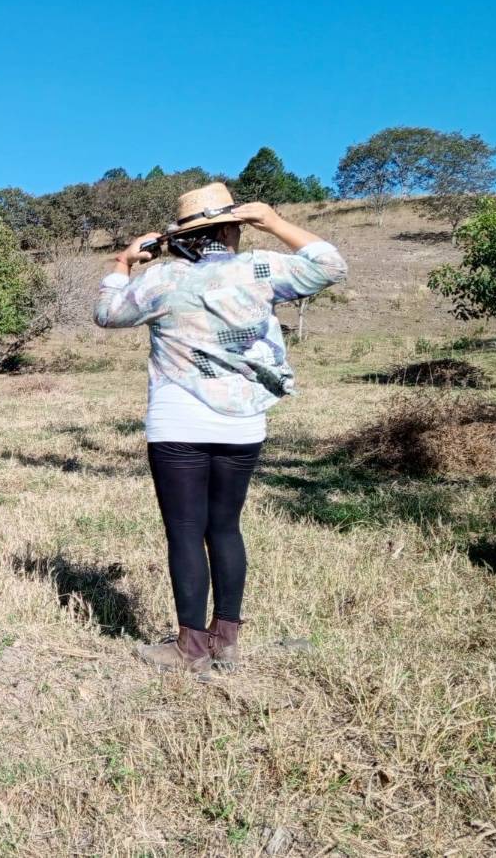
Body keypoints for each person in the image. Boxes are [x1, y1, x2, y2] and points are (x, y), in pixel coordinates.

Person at [93, 182, 346, 673]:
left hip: (178, 419)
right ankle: (225, 640)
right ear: (233, 227)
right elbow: (331, 264)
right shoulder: (262, 268)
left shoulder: (162, 279)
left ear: (185, 235)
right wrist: (272, 222)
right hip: (244, 422)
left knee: (185, 531)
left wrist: (123, 264)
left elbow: (106, 314)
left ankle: (190, 649)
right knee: (225, 527)